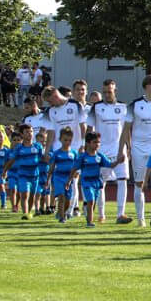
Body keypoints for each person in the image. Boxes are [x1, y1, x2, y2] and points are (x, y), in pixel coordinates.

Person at [120, 75, 151, 228]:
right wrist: (124, 148)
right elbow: (126, 129)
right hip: (138, 148)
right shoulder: (134, 105)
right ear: (147, 86)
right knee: (139, 183)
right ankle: (140, 219)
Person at [87, 80, 130, 224]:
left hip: (119, 149)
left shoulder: (123, 107)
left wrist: (128, 147)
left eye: (109, 92)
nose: (106, 94)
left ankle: (120, 214)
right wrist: (89, 148)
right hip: (101, 150)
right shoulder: (96, 108)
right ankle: (101, 214)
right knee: (101, 183)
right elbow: (89, 129)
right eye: (104, 92)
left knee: (122, 180)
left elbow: (126, 130)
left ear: (115, 91)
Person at [43, 85, 87, 218]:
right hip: (59, 150)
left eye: (50, 101)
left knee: (73, 179)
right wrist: (47, 150)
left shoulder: (75, 105)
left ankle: (69, 210)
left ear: (55, 95)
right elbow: (50, 133)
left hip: (75, 148)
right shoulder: (50, 111)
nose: (50, 104)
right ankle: (66, 208)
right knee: (59, 181)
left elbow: (83, 126)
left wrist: (83, 144)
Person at [72, 131, 123, 227]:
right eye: (95, 142)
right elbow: (74, 168)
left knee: (93, 202)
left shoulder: (100, 156)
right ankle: (90, 222)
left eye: (98, 142)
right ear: (88, 143)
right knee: (90, 200)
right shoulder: (83, 157)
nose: (97, 144)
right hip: (86, 182)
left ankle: (88, 216)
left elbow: (110, 165)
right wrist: (69, 180)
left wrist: (118, 161)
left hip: (96, 182)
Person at [1, 123, 45, 219]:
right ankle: (25, 213)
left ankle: (29, 212)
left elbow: (43, 159)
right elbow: (11, 160)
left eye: (31, 131)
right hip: (23, 175)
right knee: (25, 194)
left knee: (32, 196)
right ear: (22, 134)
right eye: (27, 132)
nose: (30, 133)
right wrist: (4, 171)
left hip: (35, 175)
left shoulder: (38, 146)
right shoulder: (19, 148)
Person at [47, 127, 78, 223]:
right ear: (60, 139)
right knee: (61, 197)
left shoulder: (74, 153)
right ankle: (62, 218)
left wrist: (76, 173)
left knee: (68, 200)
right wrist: (48, 179)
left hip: (69, 178)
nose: (67, 142)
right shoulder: (56, 153)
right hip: (58, 177)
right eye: (65, 140)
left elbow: (77, 166)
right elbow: (51, 167)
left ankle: (62, 212)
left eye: (69, 140)